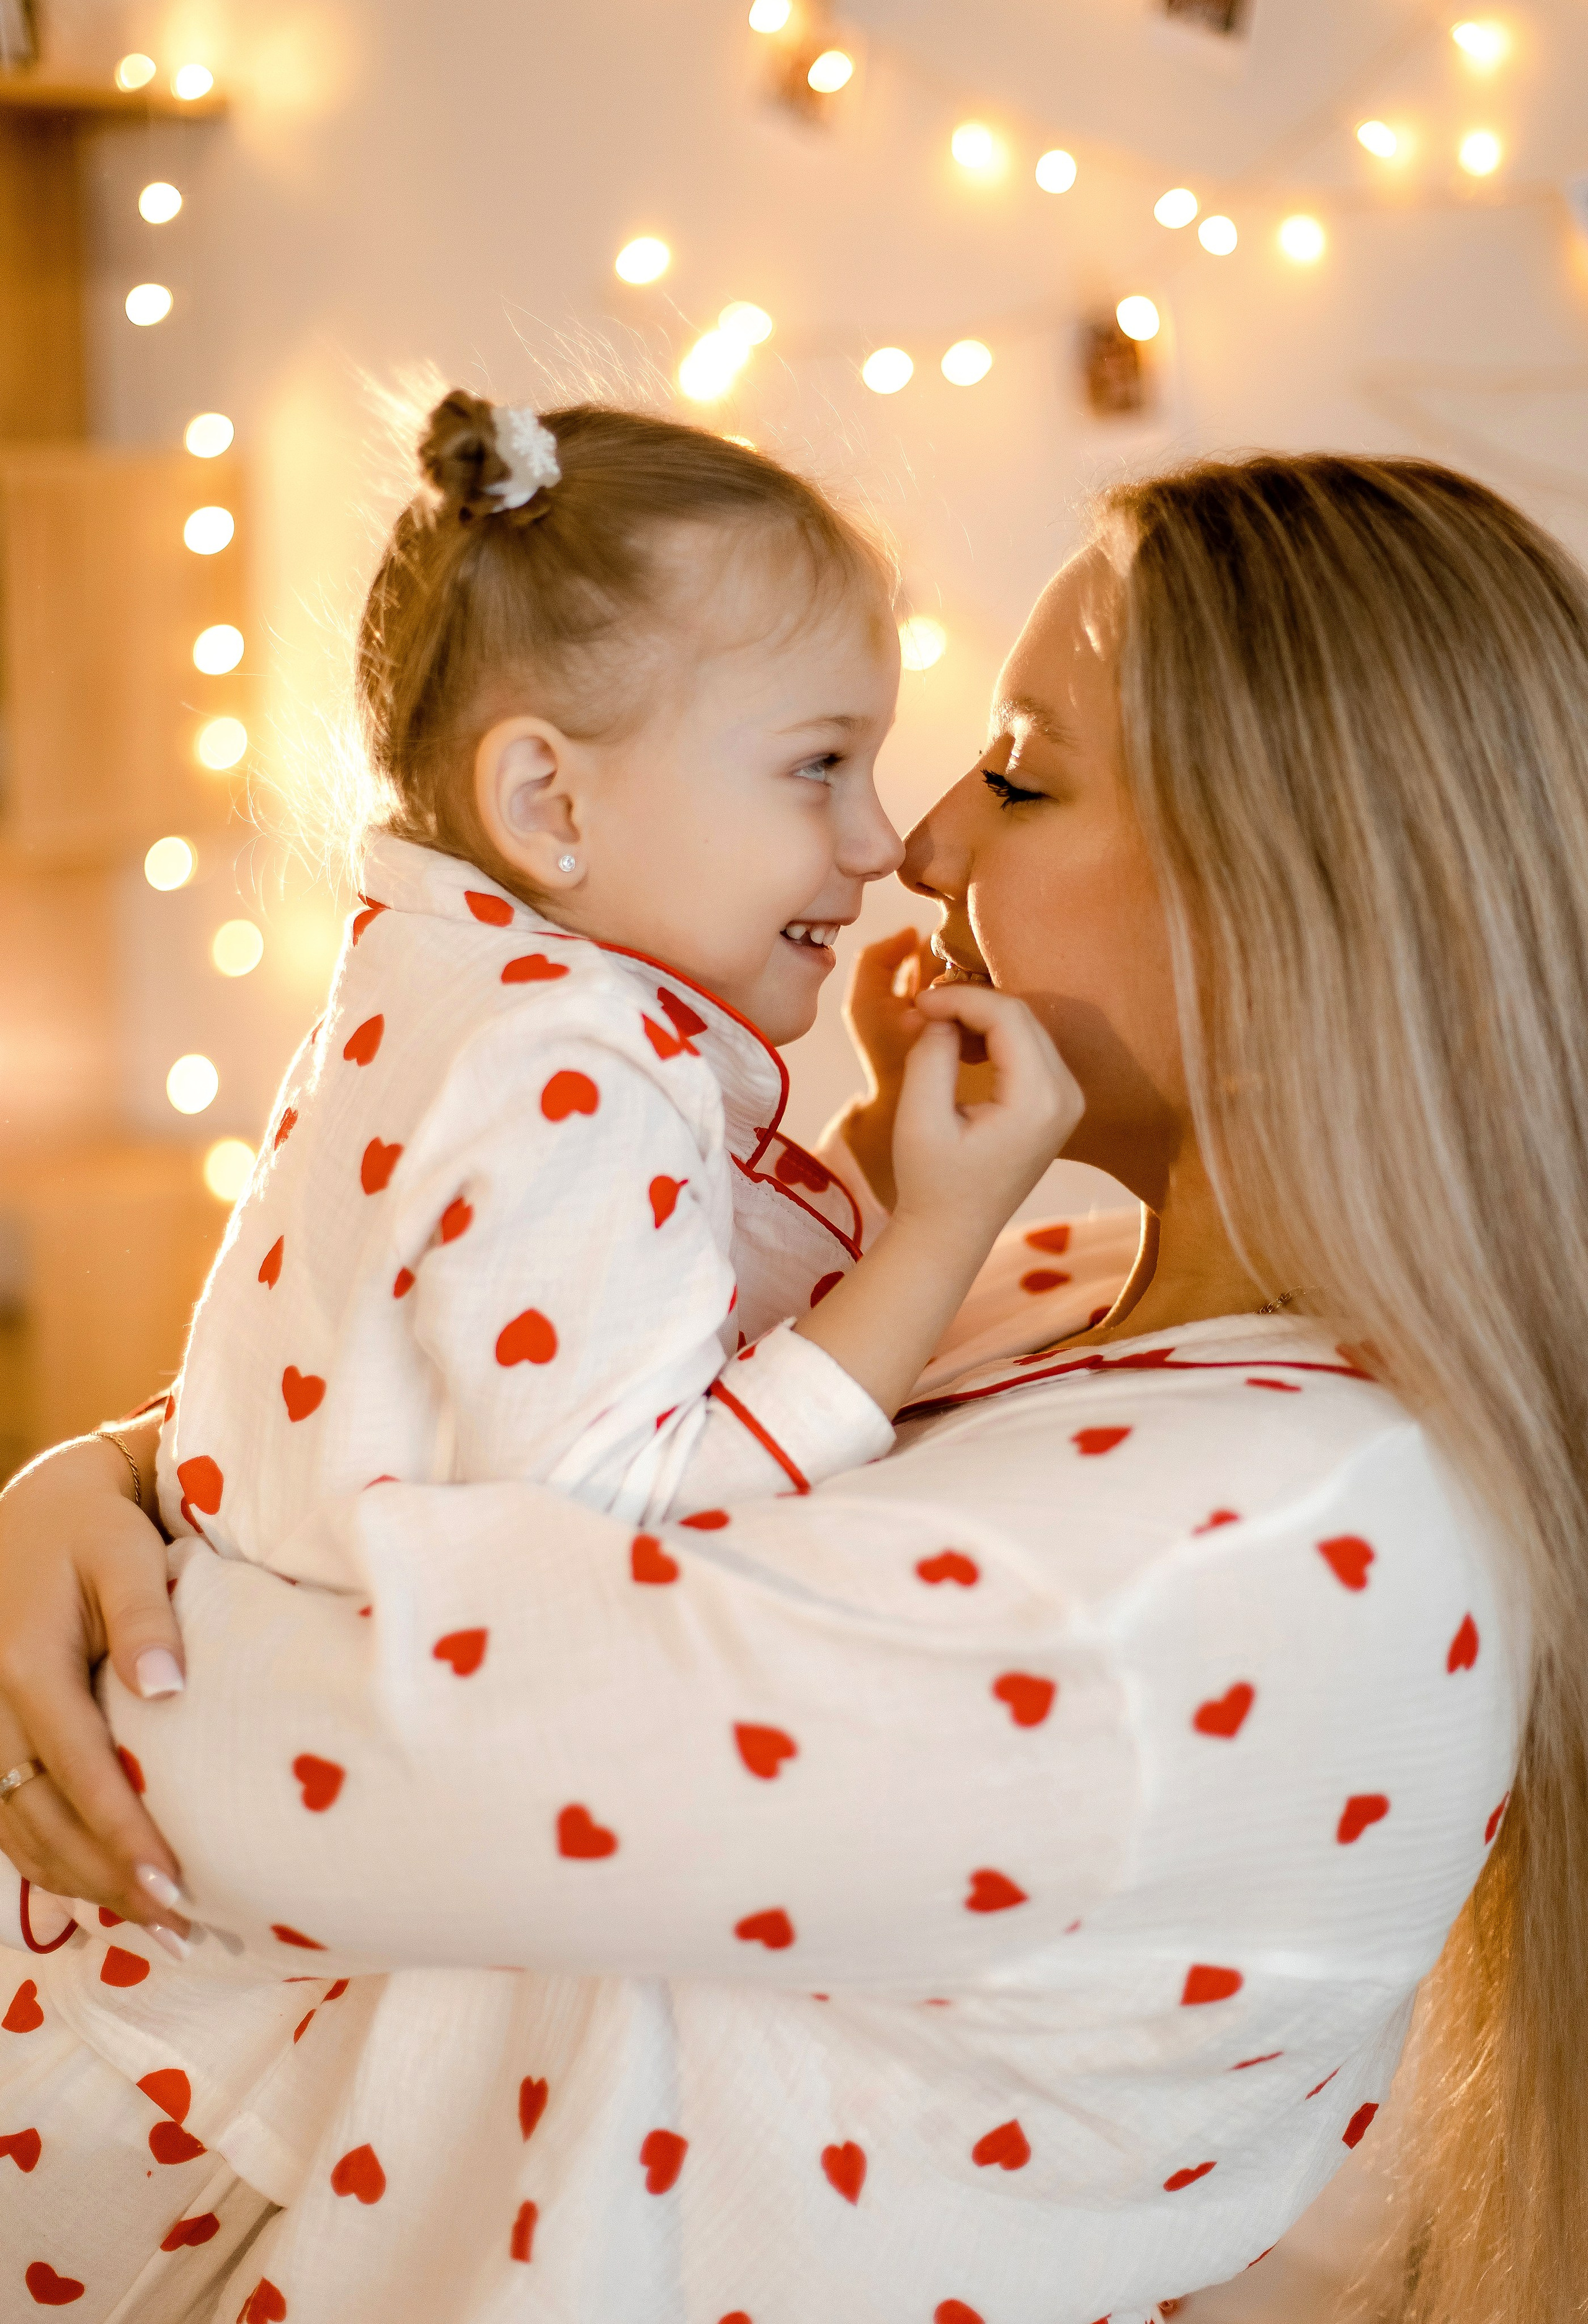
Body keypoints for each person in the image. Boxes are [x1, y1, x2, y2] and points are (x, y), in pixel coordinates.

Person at [1, 451, 1582, 2324]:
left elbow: (344, 1770)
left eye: (1023, 776)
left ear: (1287, 912)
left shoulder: (1274, 1551)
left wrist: (115, 1596)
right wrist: (105, 1482)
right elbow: (535, 1437)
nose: (924, 849)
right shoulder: (1074, 1290)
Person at [0, 388, 1079, 2315]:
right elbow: (622, 1514)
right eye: (820, 765)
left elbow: (587, 1340)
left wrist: (854, 1161)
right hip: (186, 2012)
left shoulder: (472, 984)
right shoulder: (563, 1067)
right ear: (552, 804)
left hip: (175, 1934)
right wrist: (930, 1238)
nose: (878, 841)